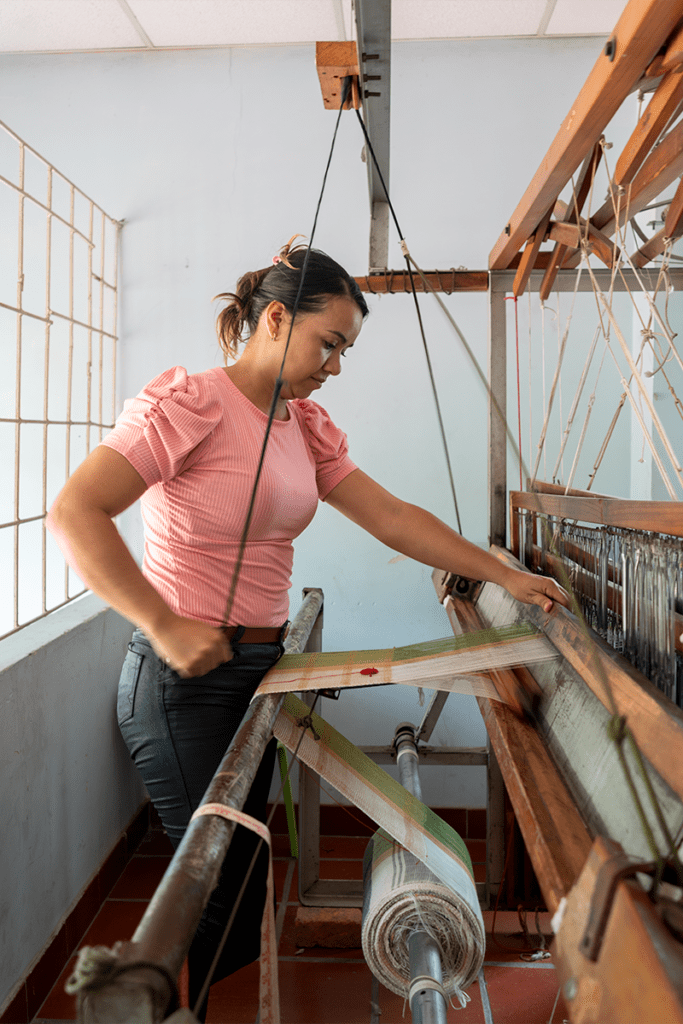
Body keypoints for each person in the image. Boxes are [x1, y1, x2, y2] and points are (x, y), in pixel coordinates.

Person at [48, 240, 569, 1018]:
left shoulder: (305, 427)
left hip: (258, 668)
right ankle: (148, 1003)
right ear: (276, 318)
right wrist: (161, 623)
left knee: (247, 870)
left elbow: (391, 518)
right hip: (180, 679)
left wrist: (504, 574)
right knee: (211, 891)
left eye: (345, 351)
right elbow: (75, 511)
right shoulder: (189, 405)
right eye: (329, 342)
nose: (334, 365)